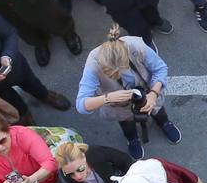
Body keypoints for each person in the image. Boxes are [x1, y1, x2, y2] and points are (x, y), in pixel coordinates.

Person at [77, 27, 183, 158]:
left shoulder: (136, 46)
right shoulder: (92, 65)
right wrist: (108, 98)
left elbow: (160, 69)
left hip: (147, 92)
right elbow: (81, 105)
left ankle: (164, 123)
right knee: (127, 124)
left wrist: (153, 94)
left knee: (158, 110)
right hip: (118, 105)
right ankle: (132, 139)